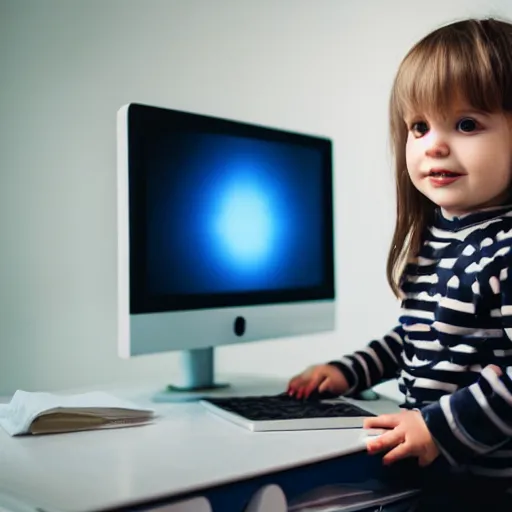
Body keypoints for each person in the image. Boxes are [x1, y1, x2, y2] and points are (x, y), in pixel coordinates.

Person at [288, 16, 512, 510]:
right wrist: (351, 372)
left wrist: (436, 426)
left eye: (467, 124)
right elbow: (417, 338)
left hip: (489, 490)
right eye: (419, 126)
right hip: (435, 477)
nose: (434, 143)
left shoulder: (506, 248)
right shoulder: (436, 238)